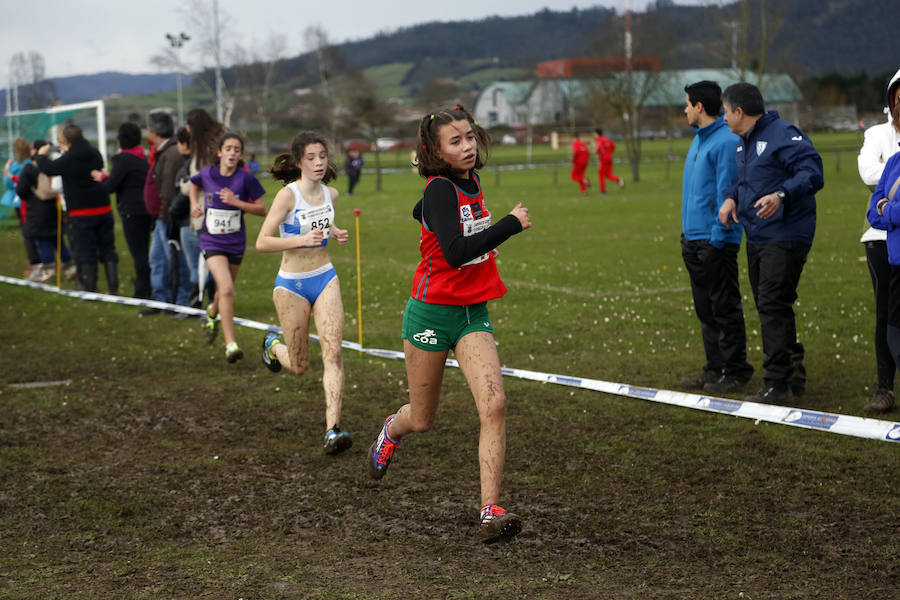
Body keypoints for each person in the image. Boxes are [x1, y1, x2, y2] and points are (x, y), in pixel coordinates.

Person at [366, 105, 531, 544]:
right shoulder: (442, 188)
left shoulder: (468, 181)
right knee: (421, 420)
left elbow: (422, 212)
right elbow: (456, 252)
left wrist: (427, 217)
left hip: (472, 311)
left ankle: (490, 509)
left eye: (470, 137)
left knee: (494, 404)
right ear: (437, 151)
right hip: (430, 312)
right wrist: (509, 225)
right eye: (455, 141)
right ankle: (391, 429)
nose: (468, 146)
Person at [719, 82, 824, 404]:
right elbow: (749, 182)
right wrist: (732, 198)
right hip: (758, 235)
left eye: (725, 112)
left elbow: (813, 172)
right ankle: (792, 373)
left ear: (739, 112)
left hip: (786, 234)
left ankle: (777, 384)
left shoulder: (783, 134)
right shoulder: (743, 143)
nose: (724, 119)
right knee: (772, 304)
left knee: (773, 305)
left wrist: (781, 195)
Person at [256, 131, 353, 454]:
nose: (318, 163)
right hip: (292, 285)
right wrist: (300, 240)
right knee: (299, 365)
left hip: (325, 277)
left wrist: (335, 232)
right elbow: (262, 242)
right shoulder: (288, 196)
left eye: (322, 157)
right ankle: (272, 345)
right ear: (298, 162)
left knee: (333, 353)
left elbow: (321, 226)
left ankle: (333, 429)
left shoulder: (332, 194)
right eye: (311, 158)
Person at [679, 81, 754, 394]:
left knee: (724, 308)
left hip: (715, 241)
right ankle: (714, 368)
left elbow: (728, 194)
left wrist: (717, 239)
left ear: (699, 107)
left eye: (686, 104)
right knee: (706, 310)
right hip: (693, 239)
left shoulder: (724, 142)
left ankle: (735, 370)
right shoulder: (699, 140)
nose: (683, 110)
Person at [190, 132, 267, 362]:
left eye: (237, 149)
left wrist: (236, 202)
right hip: (211, 241)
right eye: (229, 148)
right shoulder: (207, 174)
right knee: (226, 289)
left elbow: (262, 209)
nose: (233, 153)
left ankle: (212, 314)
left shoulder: (246, 179)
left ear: (240, 155)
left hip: (235, 242)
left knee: (224, 289)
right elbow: (194, 186)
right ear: (219, 152)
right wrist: (195, 205)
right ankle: (231, 345)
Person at [856, 68, 900, 413]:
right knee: (886, 316)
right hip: (882, 240)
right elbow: (870, 173)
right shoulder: (876, 134)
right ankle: (885, 387)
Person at [35, 125, 118, 294]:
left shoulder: (69, 159)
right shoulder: (94, 152)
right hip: (103, 207)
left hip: (81, 212)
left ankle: (90, 289)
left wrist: (41, 155)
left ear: (66, 141)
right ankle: (113, 289)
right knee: (108, 249)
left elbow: (48, 168)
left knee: (86, 251)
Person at [92, 122, 152, 299]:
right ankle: (146, 286)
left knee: (138, 253)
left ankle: (143, 291)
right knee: (144, 250)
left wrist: (101, 177)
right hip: (145, 209)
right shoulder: (142, 158)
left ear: (120, 141)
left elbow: (111, 186)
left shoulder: (122, 160)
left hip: (131, 211)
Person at [142, 110, 186, 314]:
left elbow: (168, 189)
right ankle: (161, 299)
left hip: (167, 218)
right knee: (157, 260)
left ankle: (179, 301)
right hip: (161, 217)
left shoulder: (171, 153)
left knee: (173, 261)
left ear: (154, 131)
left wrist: (164, 216)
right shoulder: (166, 150)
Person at [16, 139, 75, 283]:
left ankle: (48, 271)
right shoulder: (52, 165)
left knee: (43, 240)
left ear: (35, 150)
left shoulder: (30, 168)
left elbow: (21, 190)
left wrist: (30, 194)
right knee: (58, 239)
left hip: (37, 209)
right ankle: (71, 268)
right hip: (54, 207)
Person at [171, 126, 201, 311]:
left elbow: (185, 193)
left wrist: (172, 211)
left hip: (188, 221)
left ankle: (194, 305)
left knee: (195, 266)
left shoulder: (191, 166)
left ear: (184, 144)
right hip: (191, 220)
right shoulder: (194, 163)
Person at [3, 137, 42, 276]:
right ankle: (41, 262)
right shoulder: (32, 163)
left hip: (23, 203)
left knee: (28, 234)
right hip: (33, 201)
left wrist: (7, 171)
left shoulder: (17, 166)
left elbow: (10, 183)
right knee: (35, 232)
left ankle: (36, 265)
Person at [594, 128, 624, 193]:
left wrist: (596, 151)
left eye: (595, 134)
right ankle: (619, 180)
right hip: (609, 158)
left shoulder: (599, 140)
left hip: (603, 159)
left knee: (601, 175)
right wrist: (609, 153)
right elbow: (613, 147)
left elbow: (600, 148)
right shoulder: (607, 139)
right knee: (608, 175)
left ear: (597, 134)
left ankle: (603, 190)